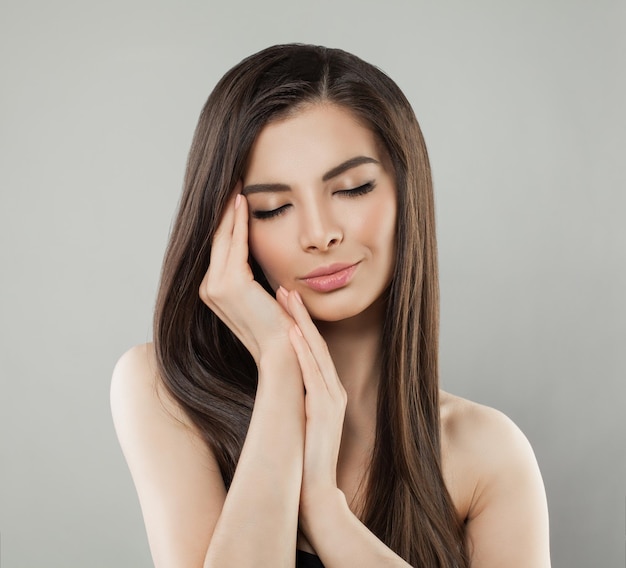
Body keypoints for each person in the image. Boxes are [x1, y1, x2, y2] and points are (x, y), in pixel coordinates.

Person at [110, 44, 551, 568]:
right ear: (230, 229)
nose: (320, 234)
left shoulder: (486, 453)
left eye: (353, 187)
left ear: (406, 193)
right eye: (274, 208)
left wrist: (325, 511)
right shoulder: (165, 393)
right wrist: (279, 367)